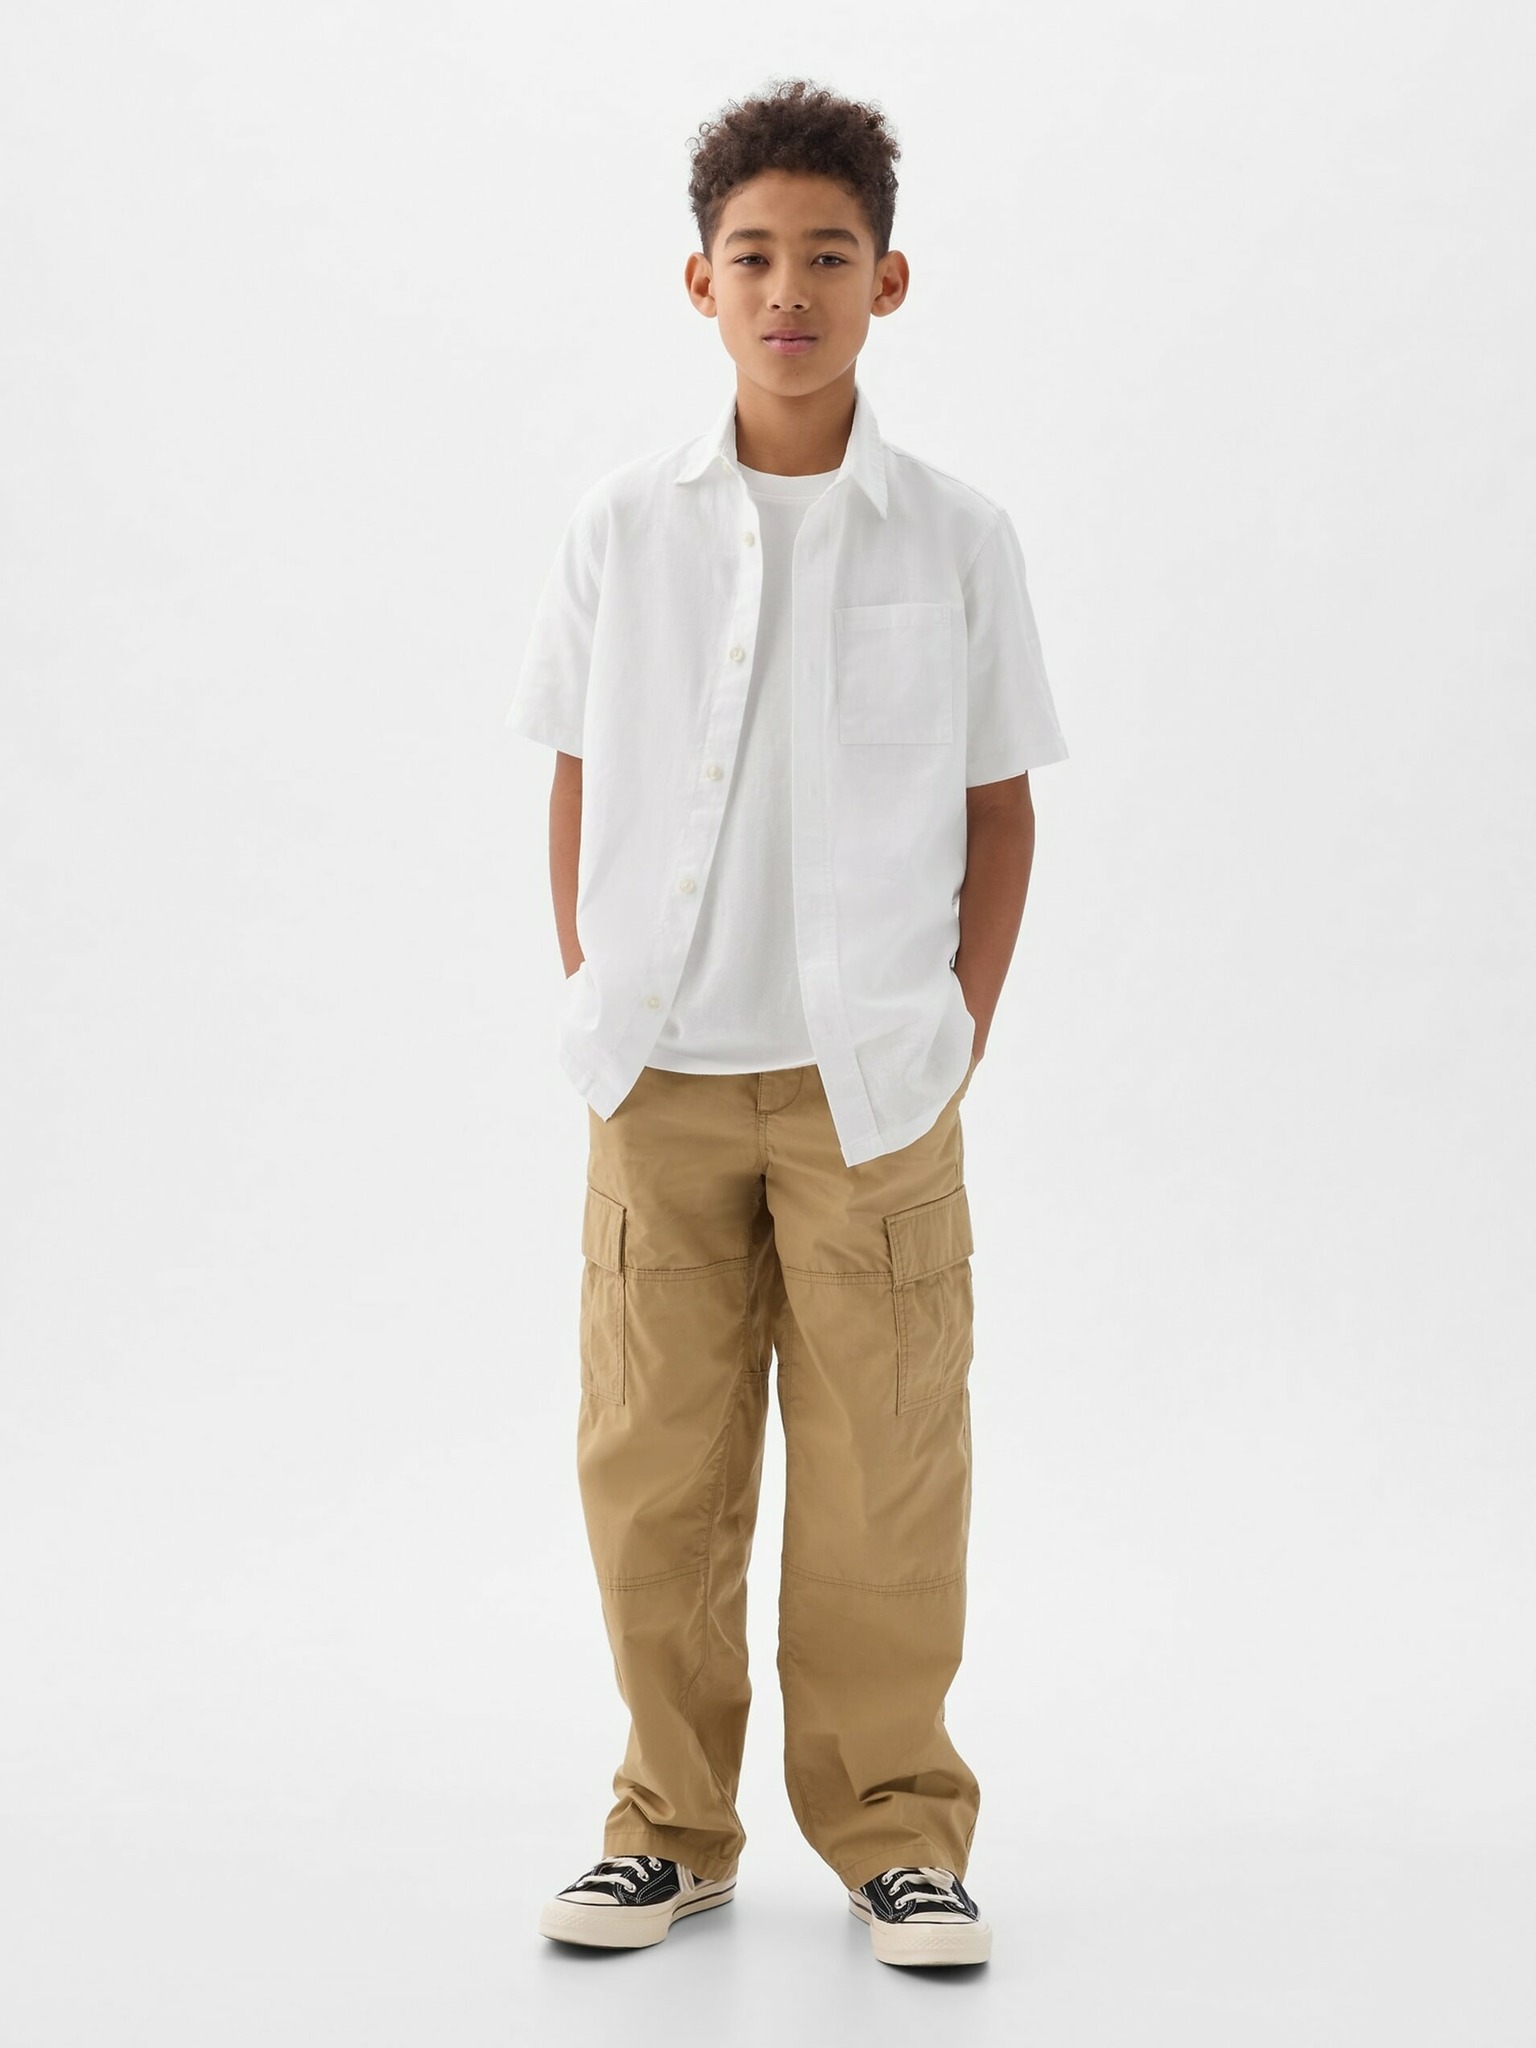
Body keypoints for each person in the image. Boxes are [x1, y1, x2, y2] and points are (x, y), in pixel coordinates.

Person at [506, 77, 1068, 1969]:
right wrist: (597, 994)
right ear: (701, 282)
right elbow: (577, 772)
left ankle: (901, 1834)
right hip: (659, 1079)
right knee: (650, 1467)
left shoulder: (956, 537)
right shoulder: (623, 525)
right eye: (753, 256)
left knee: (888, 1468)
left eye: (830, 255)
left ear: (888, 281)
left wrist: (954, 1032)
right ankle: (666, 1829)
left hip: (873, 1089)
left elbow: (1001, 807)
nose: (790, 290)